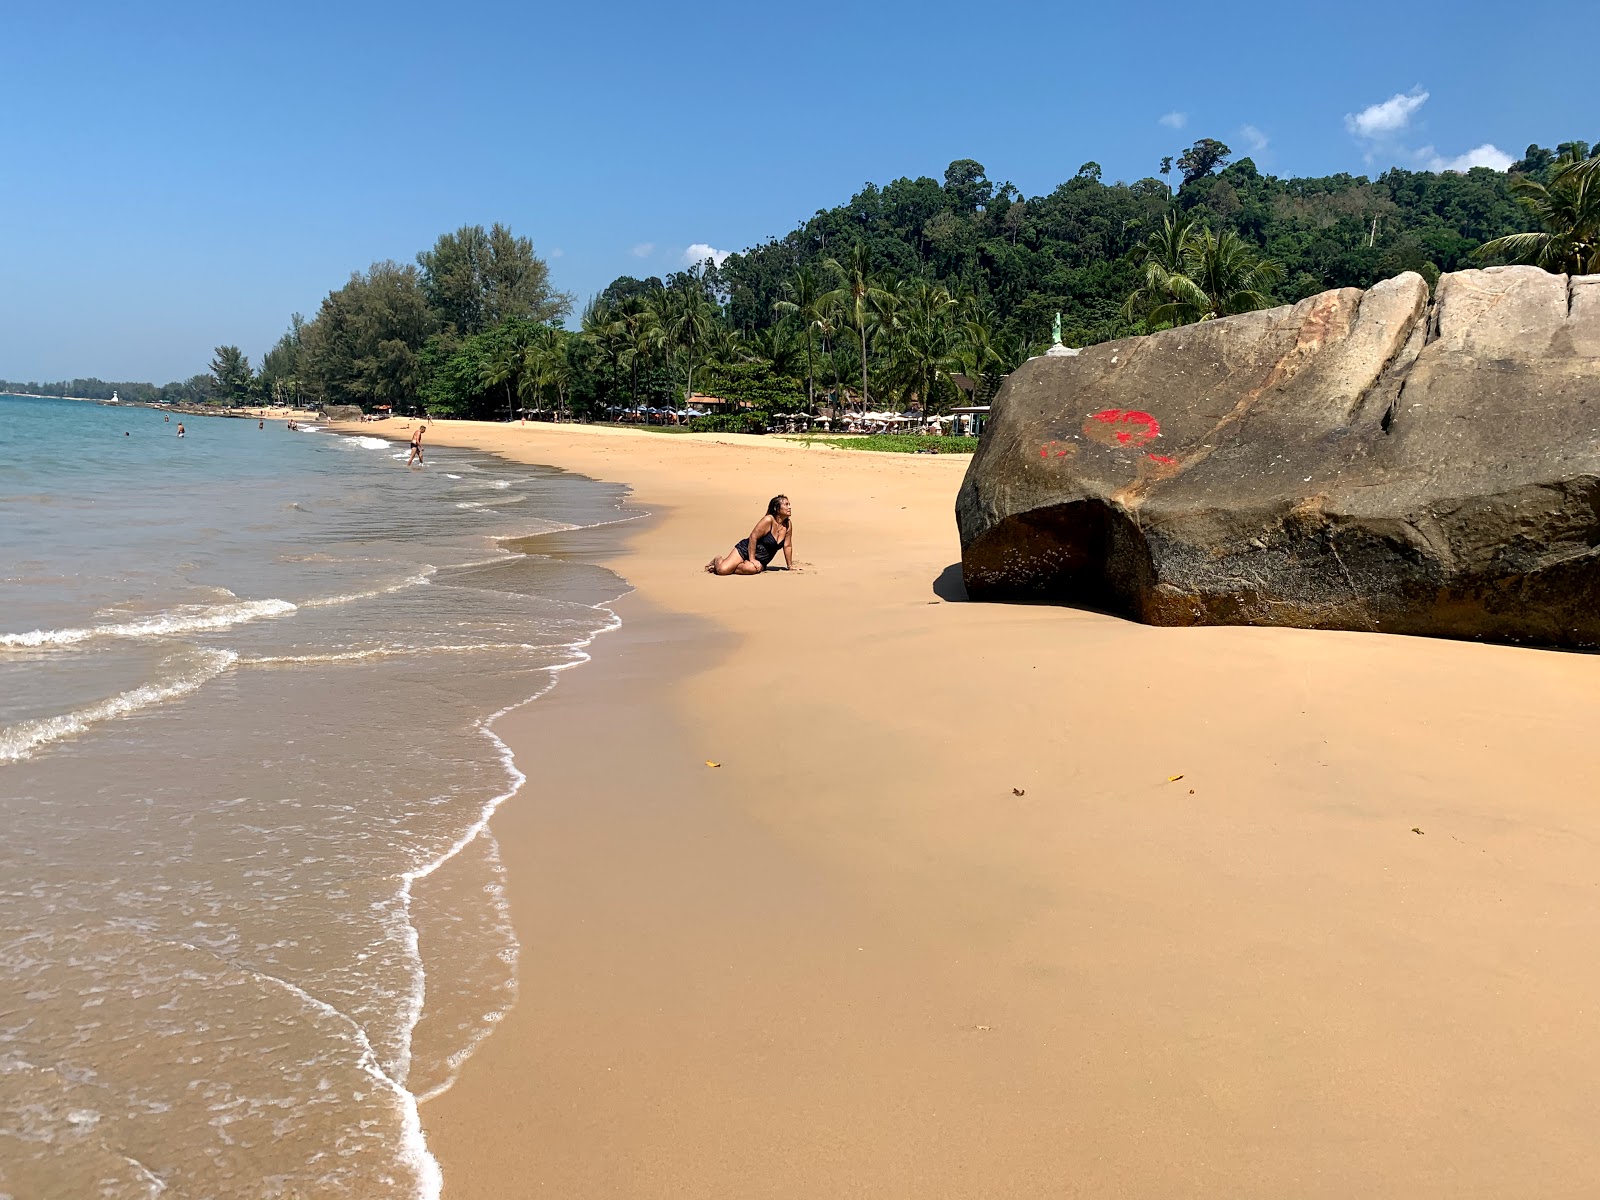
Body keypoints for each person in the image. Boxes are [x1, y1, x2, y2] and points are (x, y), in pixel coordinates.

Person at [706, 495, 795, 575]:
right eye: (786, 505)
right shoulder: (768, 520)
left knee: (751, 569)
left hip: (761, 560)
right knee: (722, 570)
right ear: (776, 508)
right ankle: (718, 559)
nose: (789, 507)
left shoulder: (788, 524)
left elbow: (787, 546)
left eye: (789, 504)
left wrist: (789, 565)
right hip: (745, 550)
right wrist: (752, 559)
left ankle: (731, 566)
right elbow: (753, 537)